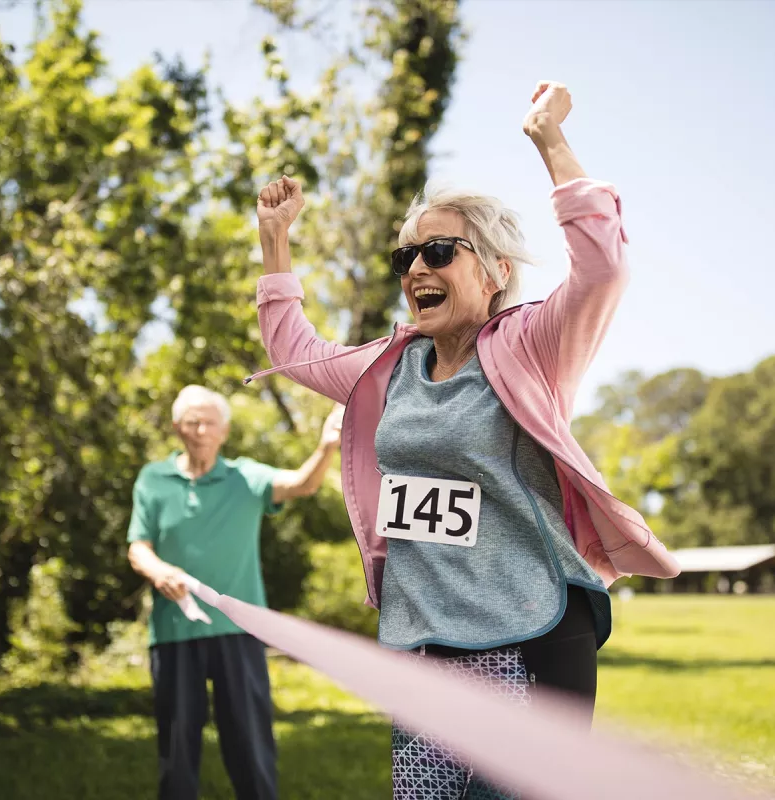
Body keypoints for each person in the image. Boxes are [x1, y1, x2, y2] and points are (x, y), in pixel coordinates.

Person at [251, 81, 680, 799]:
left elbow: (603, 268)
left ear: (495, 272)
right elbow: (295, 351)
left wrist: (549, 139)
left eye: (440, 251)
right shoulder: (389, 368)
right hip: (426, 644)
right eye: (407, 257)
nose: (417, 268)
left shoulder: (530, 346)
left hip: (530, 631)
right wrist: (275, 241)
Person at [127, 384, 343, 800]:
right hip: (174, 633)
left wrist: (326, 446)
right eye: (192, 422)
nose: (201, 430)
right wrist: (159, 572)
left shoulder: (246, 477)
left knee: (250, 747)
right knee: (176, 752)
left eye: (210, 422)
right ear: (177, 427)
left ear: (224, 431)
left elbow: (301, 484)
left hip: (238, 631)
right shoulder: (153, 480)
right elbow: (139, 546)